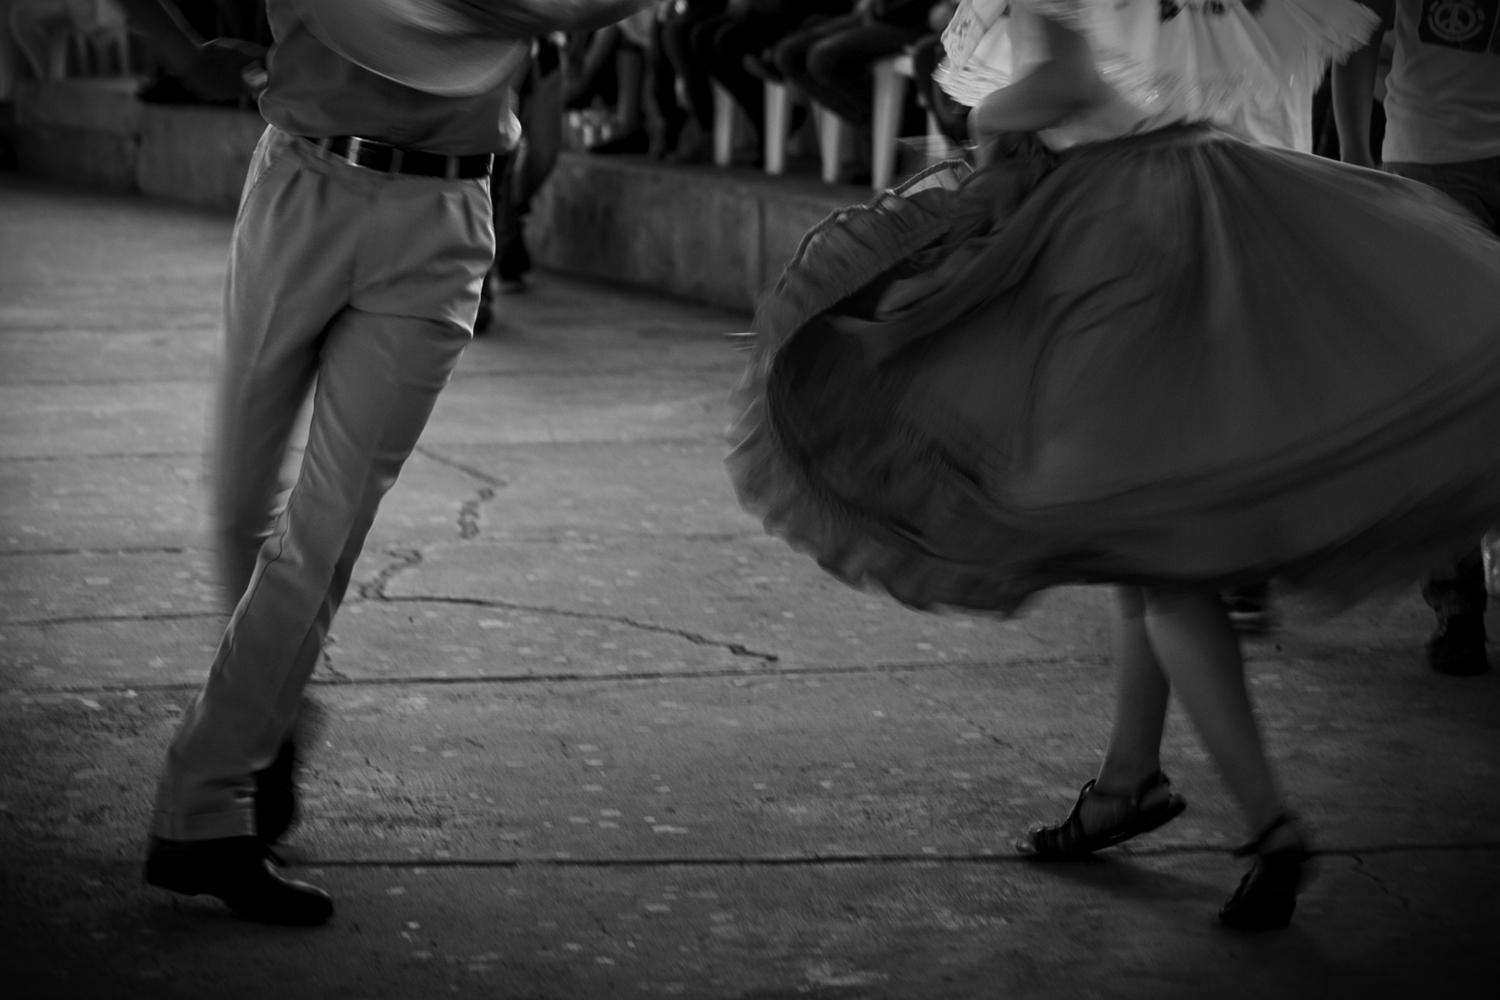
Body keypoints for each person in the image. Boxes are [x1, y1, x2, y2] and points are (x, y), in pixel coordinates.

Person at [727, 0, 1500, 931]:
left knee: (1155, 548)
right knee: (1140, 538)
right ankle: (1129, 779)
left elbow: (1068, 84)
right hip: (1206, 190)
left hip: (1121, 230)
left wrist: (988, 119)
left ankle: (1270, 825)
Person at [124, 0, 658, 928]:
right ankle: (264, 714)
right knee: (234, 507)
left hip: (444, 211)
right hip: (302, 175)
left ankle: (206, 805)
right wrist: (190, 49)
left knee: (322, 531)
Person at [1333, 0, 1500, 677]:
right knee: (1444, 392)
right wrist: (1355, 154)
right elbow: (1354, 35)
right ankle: (1457, 600)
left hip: (1430, 163)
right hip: (1430, 165)